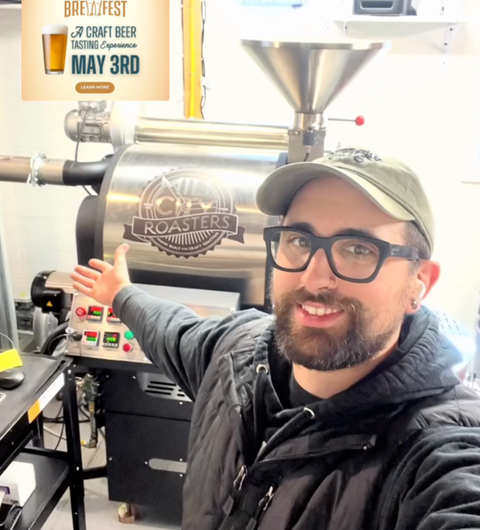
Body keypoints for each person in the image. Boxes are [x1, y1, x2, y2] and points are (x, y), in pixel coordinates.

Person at [72, 147, 480, 530]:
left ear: (419, 282)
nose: (314, 278)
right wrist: (121, 294)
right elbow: (170, 329)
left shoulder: (436, 452)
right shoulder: (235, 353)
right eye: (300, 241)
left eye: (358, 249)